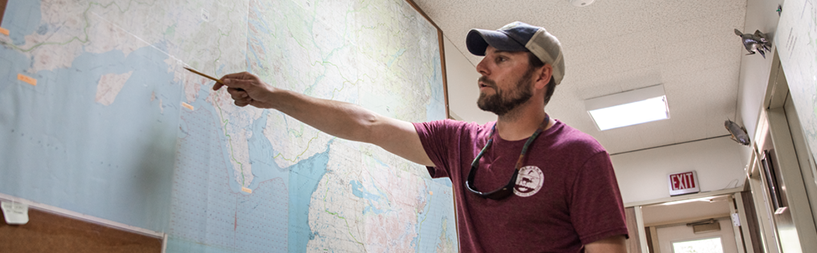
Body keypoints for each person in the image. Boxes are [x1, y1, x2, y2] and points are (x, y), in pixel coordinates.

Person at [216, 21, 629, 253]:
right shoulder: (460, 143)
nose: (482, 68)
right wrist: (273, 97)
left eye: (500, 59)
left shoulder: (581, 155)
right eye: (484, 59)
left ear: (542, 76)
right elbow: (367, 124)